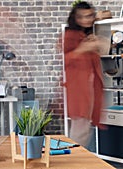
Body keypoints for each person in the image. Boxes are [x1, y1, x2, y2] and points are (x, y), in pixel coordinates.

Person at [63, 1, 105, 147]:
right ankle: (74, 162)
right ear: (75, 18)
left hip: (89, 89)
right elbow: (65, 61)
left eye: (89, 16)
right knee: (80, 129)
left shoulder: (85, 34)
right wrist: (84, 48)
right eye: (82, 17)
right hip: (79, 90)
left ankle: (76, 160)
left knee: (84, 128)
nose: (86, 20)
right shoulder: (70, 36)